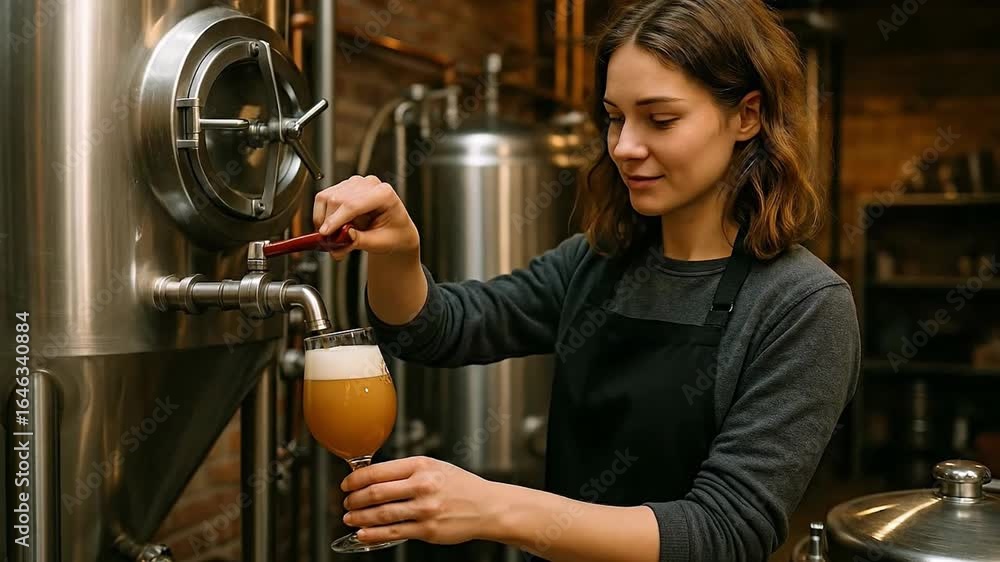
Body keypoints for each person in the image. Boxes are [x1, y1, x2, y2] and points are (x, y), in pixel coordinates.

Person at [312, 0, 860, 560]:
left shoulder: (802, 305)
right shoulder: (597, 263)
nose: (623, 147)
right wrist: (399, 255)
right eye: (615, 117)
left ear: (748, 116)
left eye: (661, 119)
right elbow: (436, 330)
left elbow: (723, 532)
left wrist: (494, 509)